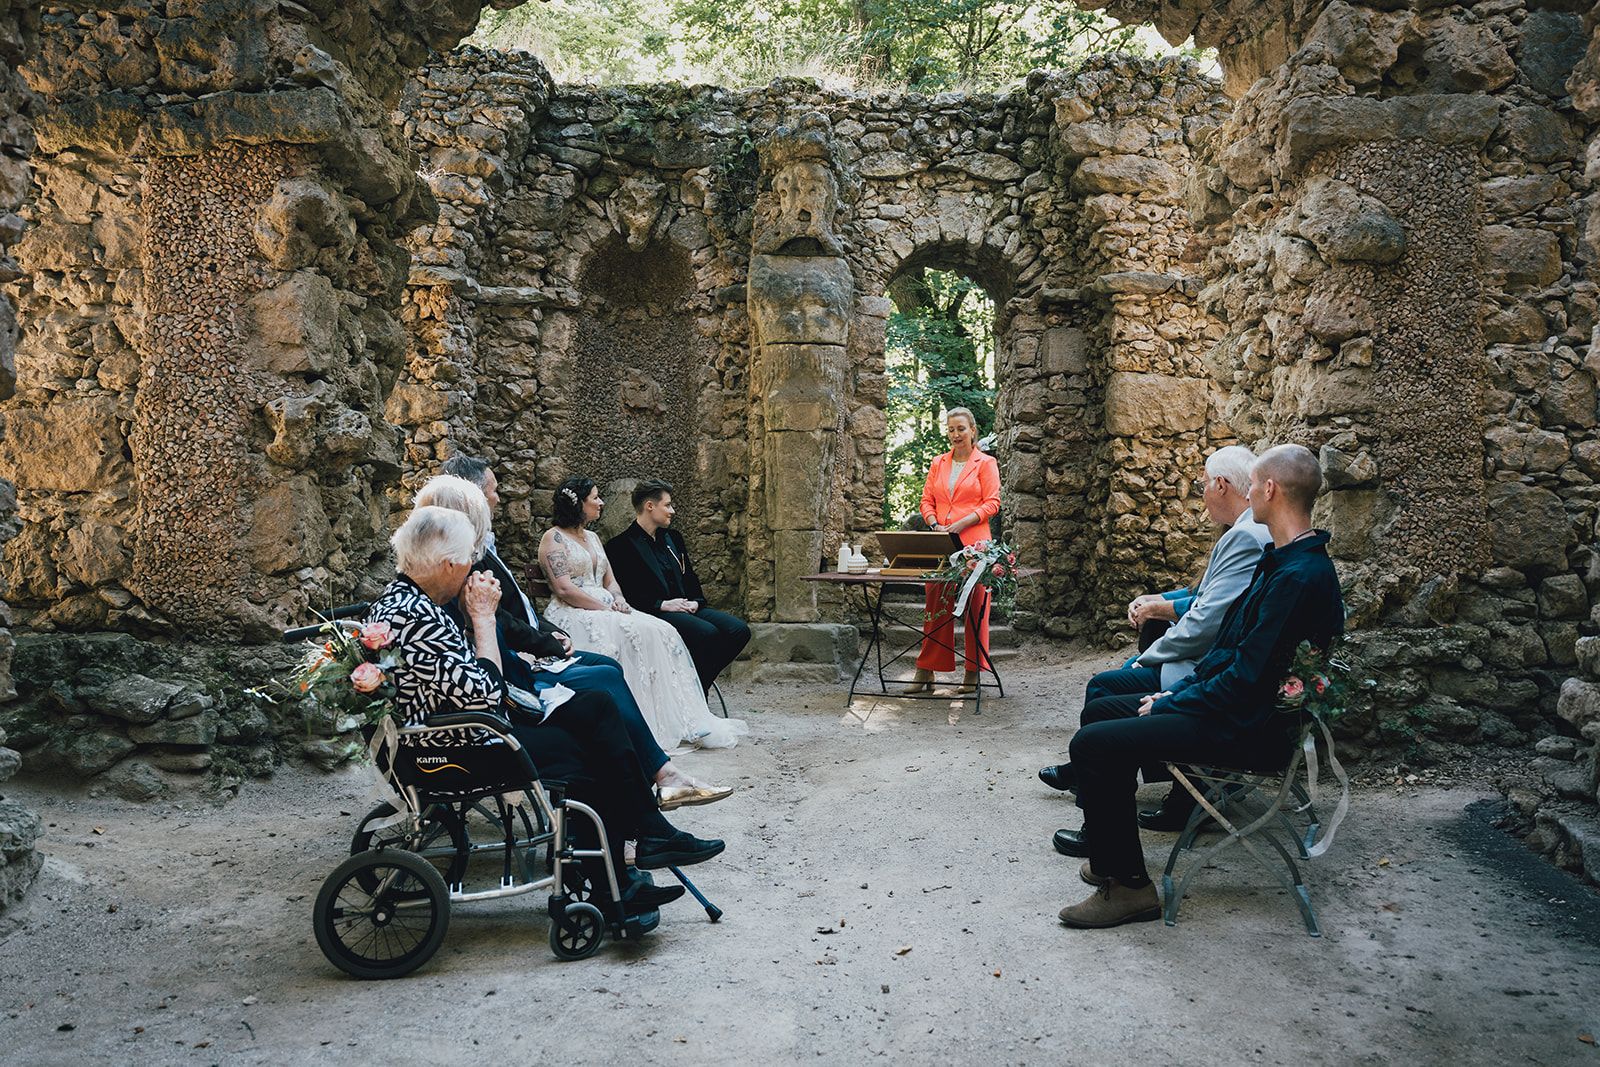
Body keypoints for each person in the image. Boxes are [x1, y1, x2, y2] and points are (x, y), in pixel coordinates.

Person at [365, 506, 726, 916]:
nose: (471, 571)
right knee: (587, 748)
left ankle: (645, 842)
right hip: (459, 746)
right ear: (448, 564)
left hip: (464, 730)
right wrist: (482, 619)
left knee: (596, 706)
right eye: (467, 561)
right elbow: (484, 692)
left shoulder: (410, 600)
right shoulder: (418, 616)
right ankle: (618, 881)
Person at [1057, 444, 1344, 929]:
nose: (1248, 491)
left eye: (1252, 483)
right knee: (1106, 711)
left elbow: (1248, 680)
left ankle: (1129, 888)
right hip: (1233, 708)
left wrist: (1178, 699)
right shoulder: (1284, 560)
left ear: (1269, 489)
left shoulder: (1297, 576)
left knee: (1094, 744)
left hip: (1250, 728)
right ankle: (1112, 858)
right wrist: (1177, 693)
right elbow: (1232, 651)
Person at [416, 470, 731, 809]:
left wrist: (613, 600)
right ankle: (653, 796)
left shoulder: (587, 541)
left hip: (545, 639)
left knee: (653, 637)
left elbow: (604, 583)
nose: (497, 500)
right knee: (607, 677)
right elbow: (556, 595)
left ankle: (662, 777)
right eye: (595, 496)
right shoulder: (456, 585)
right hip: (545, 646)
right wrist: (541, 640)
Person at [1040, 446, 1270, 836]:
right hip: (1212, 668)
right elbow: (1204, 596)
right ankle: (1096, 780)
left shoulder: (1247, 537)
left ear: (1221, 484)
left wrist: (1145, 659)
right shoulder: (1244, 532)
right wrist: (1163, 601)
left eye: (1202, 486)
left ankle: (1102, 806)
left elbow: (1206, 622)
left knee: (1105, 694)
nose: (1201, 496)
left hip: (1204, 672)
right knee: (1105, 690)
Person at [538, 477, 747, 752]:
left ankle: (677, 710)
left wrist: (620, 600)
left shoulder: (593, 538)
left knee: (663, 631)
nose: (601, 502)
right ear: (579, 503)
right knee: (641, 630)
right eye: (596, 498)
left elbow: (610, 581)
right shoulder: (553, 538)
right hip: (576, 610)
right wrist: (606, 608)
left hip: (610, 607)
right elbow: (564, 589)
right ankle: (637, 718)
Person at [606, 479, 752, 694]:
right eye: (667, 505)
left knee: (739, 630)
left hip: (688, 607)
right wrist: (663, 604)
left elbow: (690, 578)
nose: (672, 511)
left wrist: (695, 601)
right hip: (654, 611)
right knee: (707, 633)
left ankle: (694, 687)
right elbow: (628, 592)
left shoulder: (674, 538)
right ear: (649, 506)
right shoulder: (620, 546)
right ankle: (693, 692)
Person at [907, 407, 1002, 695]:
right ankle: (926, 670)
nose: (956, 435)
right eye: (951, 430)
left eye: (961, 429)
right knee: (935, 603)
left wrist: (961, 522)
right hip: (942, 542)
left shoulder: (985, 463)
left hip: (975, 543)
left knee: (976, 605)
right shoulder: (938, 463)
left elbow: (992, 503)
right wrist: (935, 523)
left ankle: (973, 672)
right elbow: (926, 501)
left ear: (973, 430)